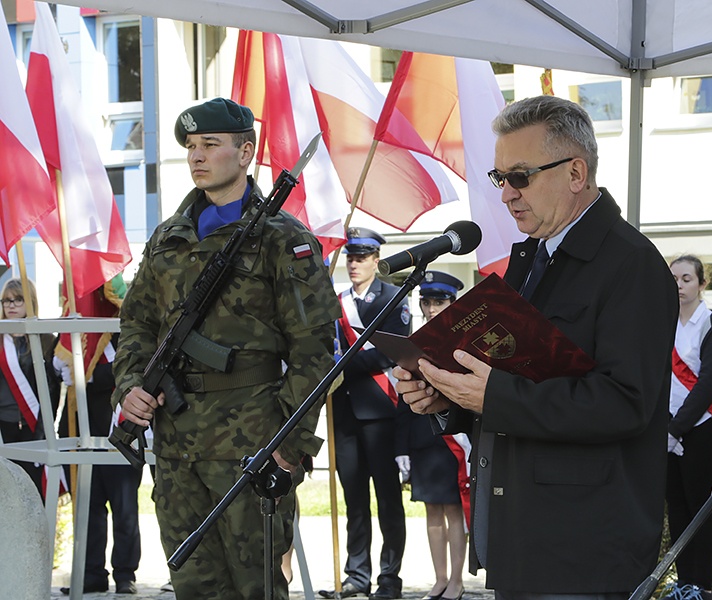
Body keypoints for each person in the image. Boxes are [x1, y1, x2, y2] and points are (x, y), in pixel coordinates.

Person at [394, 95, 679, 598]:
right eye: (499, 178)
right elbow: (518, 377)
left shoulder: (630, 264)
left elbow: (625, 402)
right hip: (520, 535)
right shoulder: (532, 257)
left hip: (582, 547)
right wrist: (447, 397)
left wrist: (493, 396)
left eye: (520, 176)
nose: (506, 194)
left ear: (575, 172)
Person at [113, 97, 340, 600]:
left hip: (252, 440)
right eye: (191, 146)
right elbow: (137, 326)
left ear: (245, 153)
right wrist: (130, 388)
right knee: (193, 584)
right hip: (176, 440)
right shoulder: (167, 238)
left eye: (210, 145)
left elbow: (317, 352)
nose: (197, 156)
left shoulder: (284, 239)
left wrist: (289, 444)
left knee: (256, 586)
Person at [319, 227, 410, 600]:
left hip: (379, 410)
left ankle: (389, 578)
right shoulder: (334, 301)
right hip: (343, 411)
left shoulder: (393, 297)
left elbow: (392, 352)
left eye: (361, 257)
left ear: (376, 260)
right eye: (351, 257)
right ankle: (357, 575)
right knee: (353, 497)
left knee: (388, 497)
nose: (354, 264)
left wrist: (341, 367)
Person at [58, 277, 142, 596]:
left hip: (122, 435)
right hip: (86, 432)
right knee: (90, 508)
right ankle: (92, 572)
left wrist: (89, 374)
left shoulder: (130, 338)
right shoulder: (78, 339)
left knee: (124, 510)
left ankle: (125, 574)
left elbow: (129, 372)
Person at [395, 271, 468, 600]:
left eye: (439, 301)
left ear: (453, 303)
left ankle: (457, 581)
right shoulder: (413, 340)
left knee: (453, 510)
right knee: (431, 510)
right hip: (422, 437)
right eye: (427, 301)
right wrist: (402, 448)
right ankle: (439, 579)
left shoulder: (463, 341)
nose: (431, 308)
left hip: (451, 437)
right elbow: (402, 397)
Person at [663, 255, 712, 600]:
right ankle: (684, 581)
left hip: (700, 428)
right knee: (676, 506)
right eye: (673, 278)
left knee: (700, 507)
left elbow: (706, 385)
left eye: (686, 279)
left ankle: (701, 585)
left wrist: (677, 429)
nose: (679, 285)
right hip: (667, 429)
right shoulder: (662, 321)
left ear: (702, 283)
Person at [0, 277, 58, 497]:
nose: (11, 305)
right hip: (4, 426)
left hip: (33, 428)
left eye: (18, 299)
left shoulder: (44, 338)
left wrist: (43, 432)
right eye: (6, 300)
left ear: (30, 301)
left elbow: (52, 392)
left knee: (31, 493)